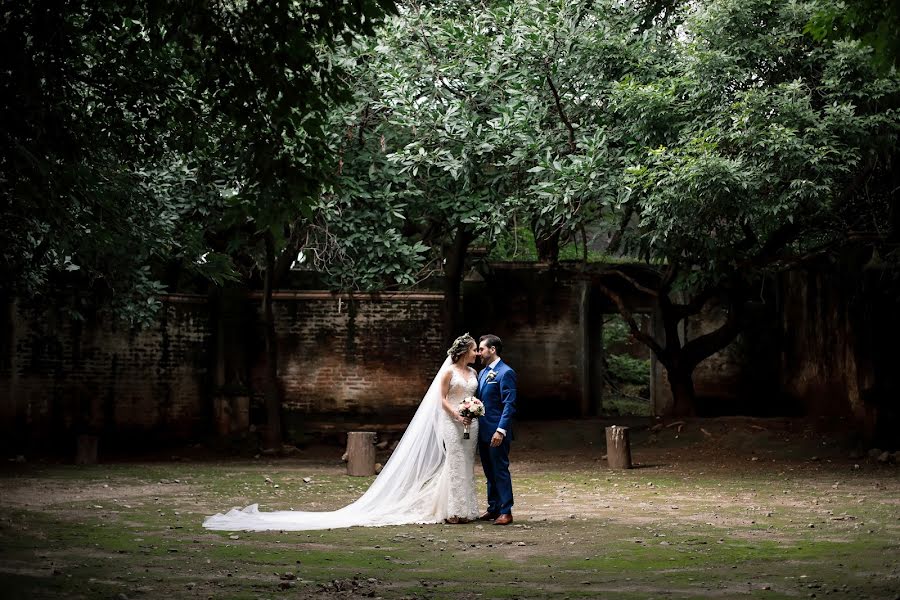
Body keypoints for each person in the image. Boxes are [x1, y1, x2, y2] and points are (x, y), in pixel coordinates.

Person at [203, 333, 481, 531]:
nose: (476, 352)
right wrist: (457, 413)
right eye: (473, 349)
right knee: (454, 463)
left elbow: (472, 395)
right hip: (452, 421)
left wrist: (473, 410)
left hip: (471, 424)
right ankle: (453, 511)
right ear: (463, 351)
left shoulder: (474, 374)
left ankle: (466, 508)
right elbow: (441, 400)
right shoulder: (448, 373)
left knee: (466, 464)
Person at [475, 334, 517, 526]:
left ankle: (506, 511)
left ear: (492, 350)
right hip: (482, 431)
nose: (478, 353)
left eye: (481, 349)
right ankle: (493, 508)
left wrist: (501, 430)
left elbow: (509, 404)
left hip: (497, 432)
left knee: (500, 469)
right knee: (488, 471)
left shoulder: (505, 372)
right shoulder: (483, 373)